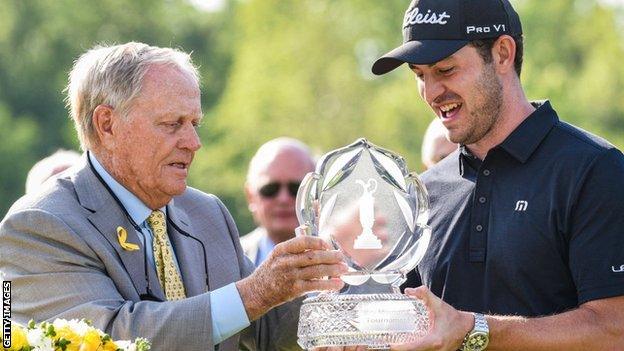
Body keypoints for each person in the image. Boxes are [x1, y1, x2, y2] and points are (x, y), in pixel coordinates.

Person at [0, 42, 347, 351]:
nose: (193, 142)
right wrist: (257, 291)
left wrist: (348, 313)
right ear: (107, 125)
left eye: (195, 123)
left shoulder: (206, 213)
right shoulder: (40, 225)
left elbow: (264, 329)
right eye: (172, 124)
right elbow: (115, 336)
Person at [372, 0, 624, 350]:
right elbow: (412, 328)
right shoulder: (423, 192)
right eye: (419, 75)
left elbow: (615, 329)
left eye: (445, 70)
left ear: (503, 54)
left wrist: (475, 330)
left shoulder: (595, 170)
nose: (430, 93)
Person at [242, 137, 316, 266]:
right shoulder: (226, 260)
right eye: (270, 189)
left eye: (296, 189)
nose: (284, 199)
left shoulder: (350, 263)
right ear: (250, 196)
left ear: (316, 193)